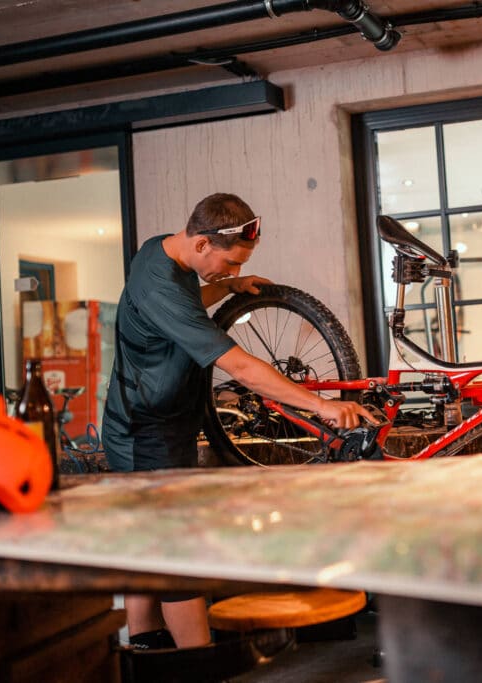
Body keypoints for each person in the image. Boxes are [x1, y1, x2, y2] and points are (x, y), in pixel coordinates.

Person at [102, 192, 374, 650]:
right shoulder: (160, 284)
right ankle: (201, 663)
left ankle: (147, 646)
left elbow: (182, 305)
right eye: (229, 263)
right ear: (203, 243)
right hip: (144, 431)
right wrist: (321, 406)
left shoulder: (161, 250)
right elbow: (243, 368)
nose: (233, 271)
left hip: (159, 422)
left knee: (147, 540)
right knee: (177, 555)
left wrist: (225, 288)